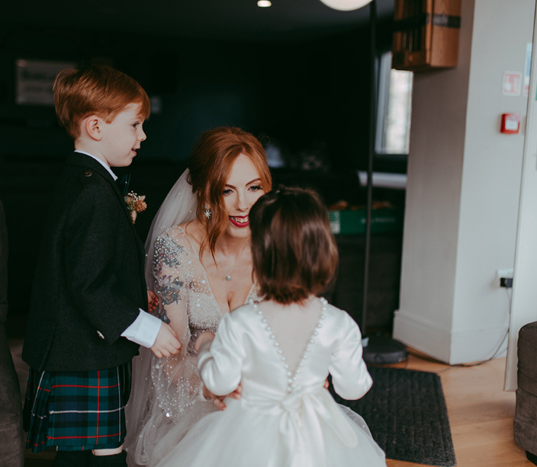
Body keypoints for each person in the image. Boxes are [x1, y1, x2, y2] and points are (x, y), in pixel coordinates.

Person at [152, 186, 387, 467]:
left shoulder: (239, 323)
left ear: (259, 256)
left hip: (248, 429)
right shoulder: (340, 323)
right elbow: (354, 388)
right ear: (325, 252)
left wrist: (205, 346)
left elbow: (219, 382)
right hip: (315, 434)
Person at [21, 63, 181, 467]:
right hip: (83, 352)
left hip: (80, 346)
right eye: (135, 124)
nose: (142, 136)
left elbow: (86, 264)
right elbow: (88, 285)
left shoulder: (84, 179)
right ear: (95, 127)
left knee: (79, 452)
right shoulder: (93, 192)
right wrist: (150, 330)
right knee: (104, 451)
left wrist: (132, 292)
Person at [124, 127, 273, 466]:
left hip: (263, 396)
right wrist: (213, 387)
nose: (243, 204)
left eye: (254, 188)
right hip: (193, 396)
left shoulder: (277, 247)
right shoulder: (175, 249)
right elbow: (169, 356)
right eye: (227, 190)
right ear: (205, 192)